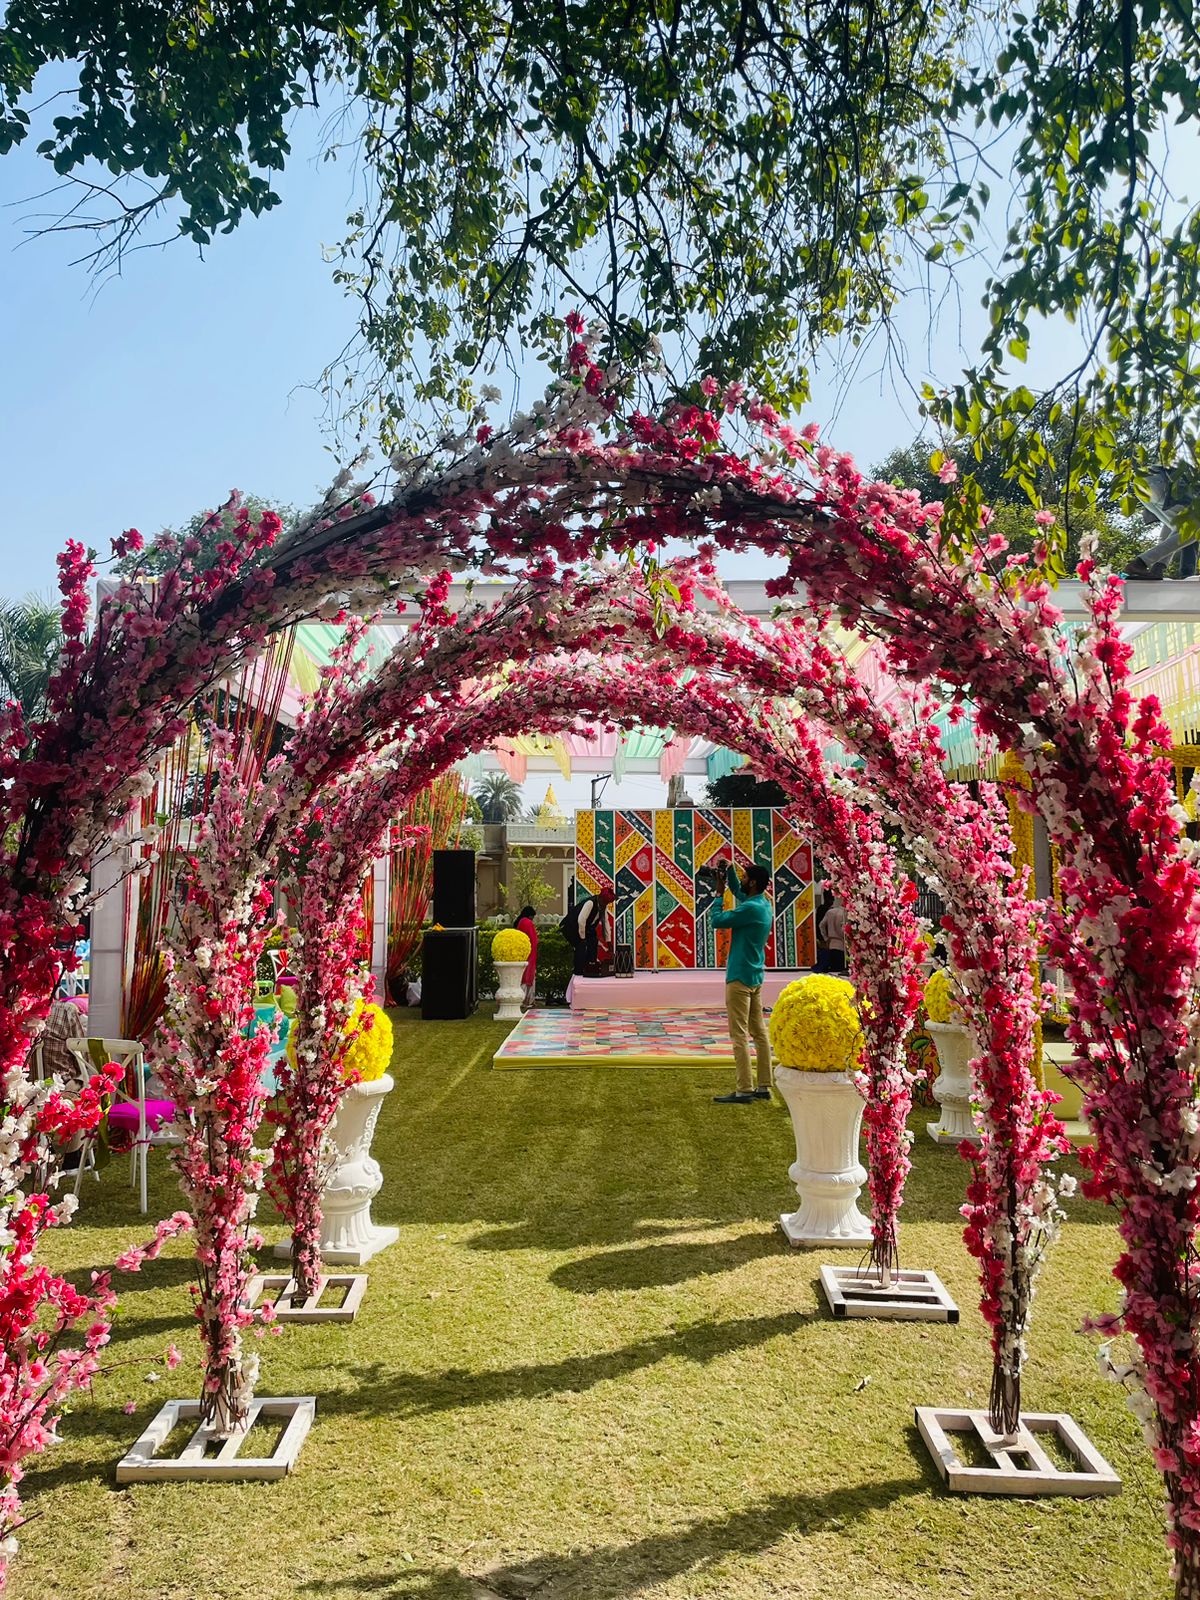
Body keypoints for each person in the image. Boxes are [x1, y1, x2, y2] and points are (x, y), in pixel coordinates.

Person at [711, 859, 774, 1104]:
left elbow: (717, 921)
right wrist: (730, 873)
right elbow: (740, 892)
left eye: (745, 877)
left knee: (738, 1035)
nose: (742, 880)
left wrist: (719, 894)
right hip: (755, 976)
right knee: (759, 1033)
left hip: (739, 977)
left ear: (754, 882)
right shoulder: (763, 904)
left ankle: (744, 1089)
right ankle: (764, 1085)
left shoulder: (750, 909)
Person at [568, 889, 614, 976]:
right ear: (600, 898)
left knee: (593, 944)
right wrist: (583, 938)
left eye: (607, 903)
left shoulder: (603, 906)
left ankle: (591, 970)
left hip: (589, 928)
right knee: (581, 949)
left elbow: (605, 922)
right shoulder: (590, 903)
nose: (605, 905)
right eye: (604, 902)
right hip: (577, 928)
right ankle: (579, 973)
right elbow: (581, 921)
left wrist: (608, 941)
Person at [515, 904, 539, 1008]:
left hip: (522, 952)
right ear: (530, 915)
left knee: (523, 975)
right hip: (530, 953)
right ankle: (527, 1000)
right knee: (528, 976)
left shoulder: (520, 922)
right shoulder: (528, 923)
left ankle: (523, 1000)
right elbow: (533, 939)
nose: (532, 919)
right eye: (532, 916)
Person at [818, 893, 847, 974]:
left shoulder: (830, 912)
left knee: (832, 969)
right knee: (839, 968)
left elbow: (821, 925)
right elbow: (842, 930)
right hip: (841, 944)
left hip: (831, 943)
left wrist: (825, 938)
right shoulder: (845, 913)